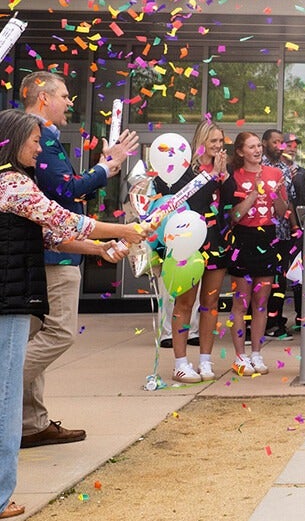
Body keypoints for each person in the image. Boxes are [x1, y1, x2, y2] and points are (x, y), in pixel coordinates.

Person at [0, 109, 144, 518]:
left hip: (13, 296)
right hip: (8, 301)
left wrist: (99, 249)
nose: (39, 149)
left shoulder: (15, 186)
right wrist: (122, 231)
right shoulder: (13, 184)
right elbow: (66, 219)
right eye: (33, 142)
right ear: (14, 142)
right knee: (7, 398)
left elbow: (53, 235)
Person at [21, 71, 139, 450]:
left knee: (35, 338)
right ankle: (10, 386)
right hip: (54, 255)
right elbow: (64, 192)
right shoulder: (35, 138)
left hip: (58, 246)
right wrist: (106, 168)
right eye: (65, 96)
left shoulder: (42, 140)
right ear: (43, 99)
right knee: (57, 334)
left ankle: (30, 424)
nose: (70, 102)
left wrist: (104, 167)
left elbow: (65, 193)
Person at [152, 119, 232, 383]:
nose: (218, 147)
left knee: (210, 304)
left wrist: (224, 177)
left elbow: (229, 201)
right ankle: (180, 362)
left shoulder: (223, 169)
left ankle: (206, 361)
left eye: (221, 142)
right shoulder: (184, 171)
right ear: (201, 142)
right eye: (213, 142)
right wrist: (212, 176)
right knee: (185, 303)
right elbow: (193, 199)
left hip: (215, 239)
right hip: (188, 239)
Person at [225, 131, 288, 376]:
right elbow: (235, 215)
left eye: (258, 146)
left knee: (261, 302)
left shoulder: (276, 173)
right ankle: (240, 356)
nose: (257, 150)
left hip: (267, 235)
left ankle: (257, 354)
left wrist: (276, 195)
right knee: (241, 301)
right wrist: (254, 194)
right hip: (244, 237)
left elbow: (283, 212)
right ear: (241, 152)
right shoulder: (235, 176)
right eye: (251, 147)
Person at [261, 129, 300, 340]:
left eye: (281, 142)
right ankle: (253, 323)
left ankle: (275, 322)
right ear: (264, 143)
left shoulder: (284, 169)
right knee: (259, 279)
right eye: (274, 142)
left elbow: (290, 201)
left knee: (279, 280)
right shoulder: (255, 166)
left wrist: (294, 227)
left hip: (281, 233)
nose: (279, 146)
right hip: (258, 233)